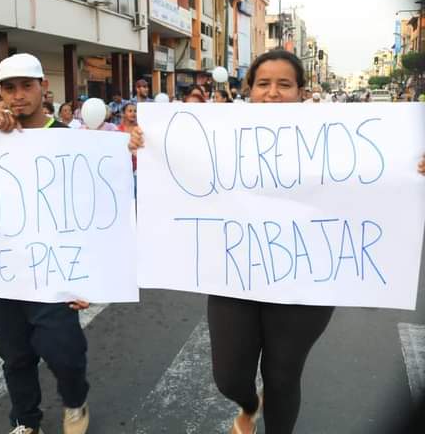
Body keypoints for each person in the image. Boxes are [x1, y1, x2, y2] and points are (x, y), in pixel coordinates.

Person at [127, 50, 425, 434]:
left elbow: (378, 176)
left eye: (284, 84)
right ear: (249, 90)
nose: (272, 93)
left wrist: (412, 167)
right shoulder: (219, 135)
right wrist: (145, 143)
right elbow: (183, 167)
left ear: (302, 91)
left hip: (307, 279)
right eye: (263, 84)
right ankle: (249, 405)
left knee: (283, 375)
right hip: (235, 274)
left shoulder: (332, 135)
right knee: (229, 377)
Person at [0, 53, 91, 434]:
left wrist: (91, 275)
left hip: (54, 269)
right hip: (6, 268)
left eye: (27, 86)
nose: (18, 95)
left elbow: (95, 210)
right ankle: (26, 420)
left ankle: (75, 401)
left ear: (44, 88)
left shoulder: (69, 139)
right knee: (14, 354)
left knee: (65, 353)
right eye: (10, 88)